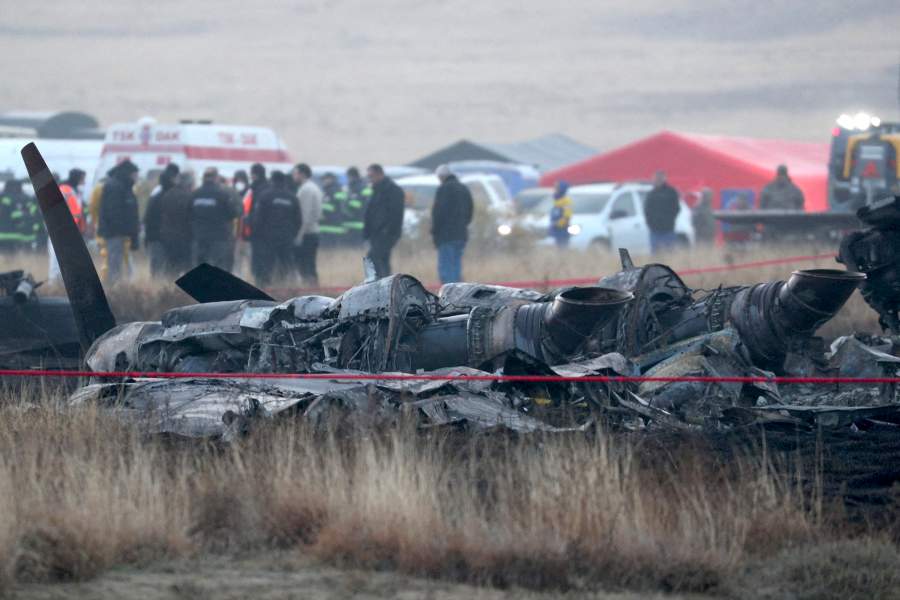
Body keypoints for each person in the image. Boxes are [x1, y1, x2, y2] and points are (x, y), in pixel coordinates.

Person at [250, 170, 302, 286]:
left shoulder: (265, 196)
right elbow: (298, 221)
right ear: (284, 181)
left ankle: (265, 287)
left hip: (267, 238)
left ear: (272, 180)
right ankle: (283, 287)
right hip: (286, 237)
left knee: (267, 264)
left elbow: (258, 218)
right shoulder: (292, 198)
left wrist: (258, 235)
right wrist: (292, 234)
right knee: (285, 264)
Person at [97, 160, 140, 284]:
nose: (137, 177)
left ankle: (118, 286)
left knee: (119, 262)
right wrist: (121, 230)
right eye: (135, 174)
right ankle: (113, 288)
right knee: (114, 262)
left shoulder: (124, 186)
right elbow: (113, 212)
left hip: (121, 232)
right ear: (129, 174)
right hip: (115, 233)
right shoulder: (115, 186)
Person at [190, 167, 241, 271]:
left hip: (200, 236)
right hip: (219, 237)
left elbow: (189, 213)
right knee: (218, 265)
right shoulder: (223, 194)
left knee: (201, 265)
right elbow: (234, 213)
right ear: (216, 178)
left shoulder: (195, 194)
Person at [431, 165, 473, 283]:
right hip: (461, 234)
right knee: (456, 266)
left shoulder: (443, 189)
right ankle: (459, 292)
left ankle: (449, 294)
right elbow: (470, 210)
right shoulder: (463, 188)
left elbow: (438, 213)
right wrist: (463, 225)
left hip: (446, 235)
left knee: (446, 268)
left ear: (441, 177)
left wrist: (435, 232)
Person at [363, 164, 405, 279]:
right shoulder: (375, 190)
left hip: (387, 233)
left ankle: (379, 282)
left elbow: (396, 213)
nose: (370, 179)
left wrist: (388, 230)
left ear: (379, 174)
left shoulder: (393, 190)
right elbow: (370, 212)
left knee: (373, 257)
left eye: (371, 176)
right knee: (382, 259)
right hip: (375, 233)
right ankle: (386, 282)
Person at [49, 169, 87, 281]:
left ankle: (64, 283)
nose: (84, 181)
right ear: (78, 177)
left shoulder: (76, 191)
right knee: (56, 259)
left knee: (69, 259)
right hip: (60, 228)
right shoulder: (65, 189)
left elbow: (79, 212)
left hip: (72, 229)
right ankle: (54, 283)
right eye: (83, 178)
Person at [143, 163, 180, 276]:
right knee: (170, 270)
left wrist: (148, 236)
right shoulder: (175, 196)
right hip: (171, 237)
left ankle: (155, 290)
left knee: (156, 269)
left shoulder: (156, 194)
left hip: (155, 236)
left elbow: (147, 217)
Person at [156, 171, 195, 275]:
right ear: (189, 184)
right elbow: (192, 216)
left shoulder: (168, 194)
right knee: (187, 266)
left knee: (171, 265)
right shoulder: (189, 197)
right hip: (185, 236)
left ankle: (168, 287)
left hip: (168, 235)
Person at [292, 163, 323, 286]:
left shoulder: (306, 189)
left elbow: (305, 214)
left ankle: (311, 289)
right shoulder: (312, 187)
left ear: (302, 174)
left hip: (307, 233)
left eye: (296, 173)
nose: (294, 176)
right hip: (312, 232)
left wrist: (299, 236)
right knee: (309, 264)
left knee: (306, 266)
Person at [643, 170, 681, 254]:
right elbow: (647, 211)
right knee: (656, 256)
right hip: (655, 230)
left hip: (668, 229)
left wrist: (670, 219)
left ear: (663, 179)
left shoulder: (671, 192)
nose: (657, 180)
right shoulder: (651, 194)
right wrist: (650, 223)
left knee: (670, 254)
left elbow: (676, 208)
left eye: (659, 178)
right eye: (655, 178)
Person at [0, 180, 40, 254]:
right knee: (13, 256)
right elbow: (32, 213)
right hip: (16, 234)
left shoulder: (3, 197)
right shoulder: (24, 198)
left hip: (3, 235)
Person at [246, 163, 269, 281]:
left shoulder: (258, 189)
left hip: (258, 230)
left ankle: (260, 280)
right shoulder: (265, 187)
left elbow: (257, 211)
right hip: (265, 230)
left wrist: (251, 224)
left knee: (259, 259)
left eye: (252, 173)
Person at [341, 166, 370, 245]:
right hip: (348, 224)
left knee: (357, 249)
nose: (347, 179)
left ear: (352, 176)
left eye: (348, 177)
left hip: (358, 224)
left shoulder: (362, 188)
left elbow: (361, 205)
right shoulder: (349, 187)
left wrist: (347, 204)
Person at [548, 181, 573, 248]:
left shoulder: (566, 201)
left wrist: (558, 223)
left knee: (562, 248)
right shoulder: (556, 200)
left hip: (562, 229)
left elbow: (567, 216)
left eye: (556, 188)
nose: (554, 190)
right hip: (556, 229)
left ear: (561, 189)